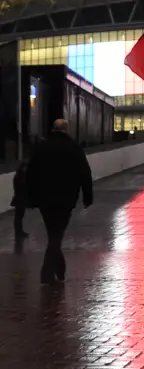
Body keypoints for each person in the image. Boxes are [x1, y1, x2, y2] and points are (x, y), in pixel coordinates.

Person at [26, 119, 93, 284]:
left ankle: (59, 270)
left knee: (53, 234)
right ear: (66, 130)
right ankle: (47, 272)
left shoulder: (41, 148)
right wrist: (87, 197)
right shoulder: (74, 148)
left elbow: (30, 173)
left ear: (52, 129)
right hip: (66, 198)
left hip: (44, 199)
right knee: (57, 235)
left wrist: (31, 198)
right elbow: (85, 173)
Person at [11, 160, 30, 240]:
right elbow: (22, 187)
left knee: (19, 216)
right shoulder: (20, 176)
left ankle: (19, 231)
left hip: (19, 198)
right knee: (19, 216)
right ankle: (18, 232)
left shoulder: (19, 175)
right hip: (20, 198)